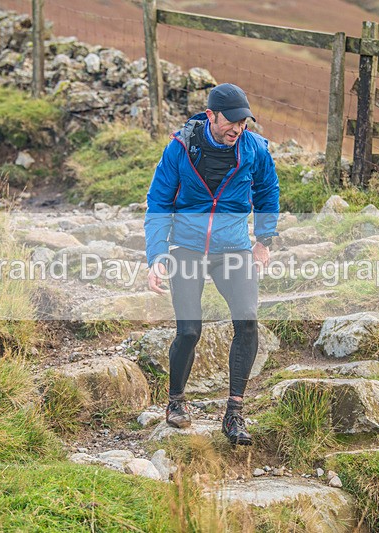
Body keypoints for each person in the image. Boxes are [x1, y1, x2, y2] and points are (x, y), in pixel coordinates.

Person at [144, 83, 280, 445]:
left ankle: (234, 414)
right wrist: (157, 256)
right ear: (211, 116)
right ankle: (175, 402)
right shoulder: (181, 148)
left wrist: (264, 240)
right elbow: (158, 203)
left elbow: (268, 191)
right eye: (231, 121)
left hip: (233, 249)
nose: (238, 128)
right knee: (189, 330)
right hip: (187, 249)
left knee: (247, 320)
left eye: (244, 122)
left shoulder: (254, 149)